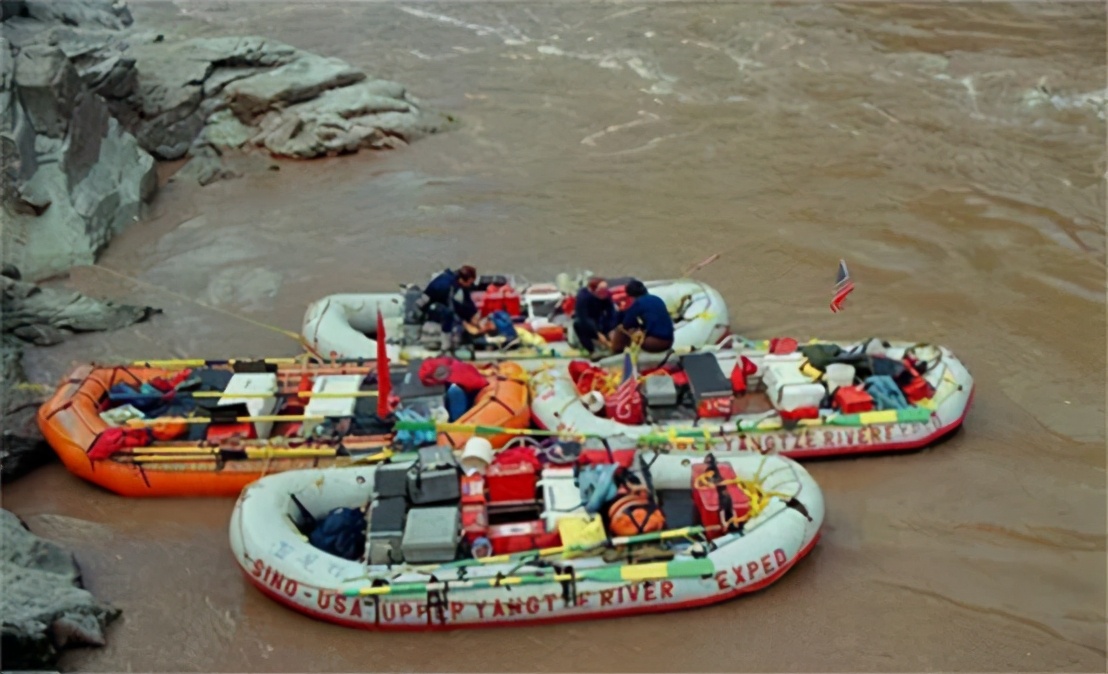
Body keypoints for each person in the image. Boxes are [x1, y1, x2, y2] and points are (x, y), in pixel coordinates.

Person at [609, 279, 674, 354]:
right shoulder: (657, 298)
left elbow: (627, 323)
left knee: (622, 329)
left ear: (631, 295)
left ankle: (616, 352)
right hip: (669, 340)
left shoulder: (638, 303)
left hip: (655, 343)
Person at [418, 265, 484, 336]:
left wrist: (474, 314)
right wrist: (466, 325)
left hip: (442, 301)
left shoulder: (456, 278)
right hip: (431, 307)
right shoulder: (448, 287)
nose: (471, 285)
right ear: (464, 280)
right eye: (470, 283)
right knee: (450, 316)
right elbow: (451, 309)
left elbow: (466, 298)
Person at [572, 277, 618, 354]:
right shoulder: (583, 297)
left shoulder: (606, 295)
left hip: (600, 318)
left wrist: (611, 329)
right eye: (601, 292)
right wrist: (597, 333)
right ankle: (591, 350)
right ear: (593, 291)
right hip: (586, 320)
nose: (604, 294)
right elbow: (584, 317)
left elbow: (611, 313)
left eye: (605, 291)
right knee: (578, 324)